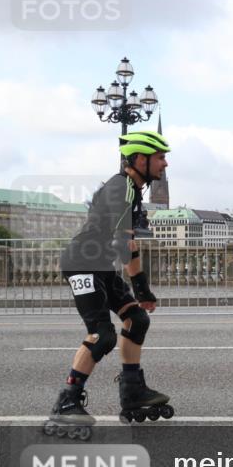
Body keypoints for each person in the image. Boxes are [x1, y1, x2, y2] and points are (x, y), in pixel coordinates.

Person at [47, 131, 173, 436]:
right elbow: (124, 245)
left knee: (136, 319)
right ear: (140, 159)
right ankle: (67, 401)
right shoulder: (122, 189)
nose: (165, 164)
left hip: (99, 266)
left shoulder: (131, 189)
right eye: (160, 157)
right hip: (81, 264)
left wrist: (141, 293)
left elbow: (124, 243)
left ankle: (132, 392)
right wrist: (141, 288)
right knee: (102, 335)